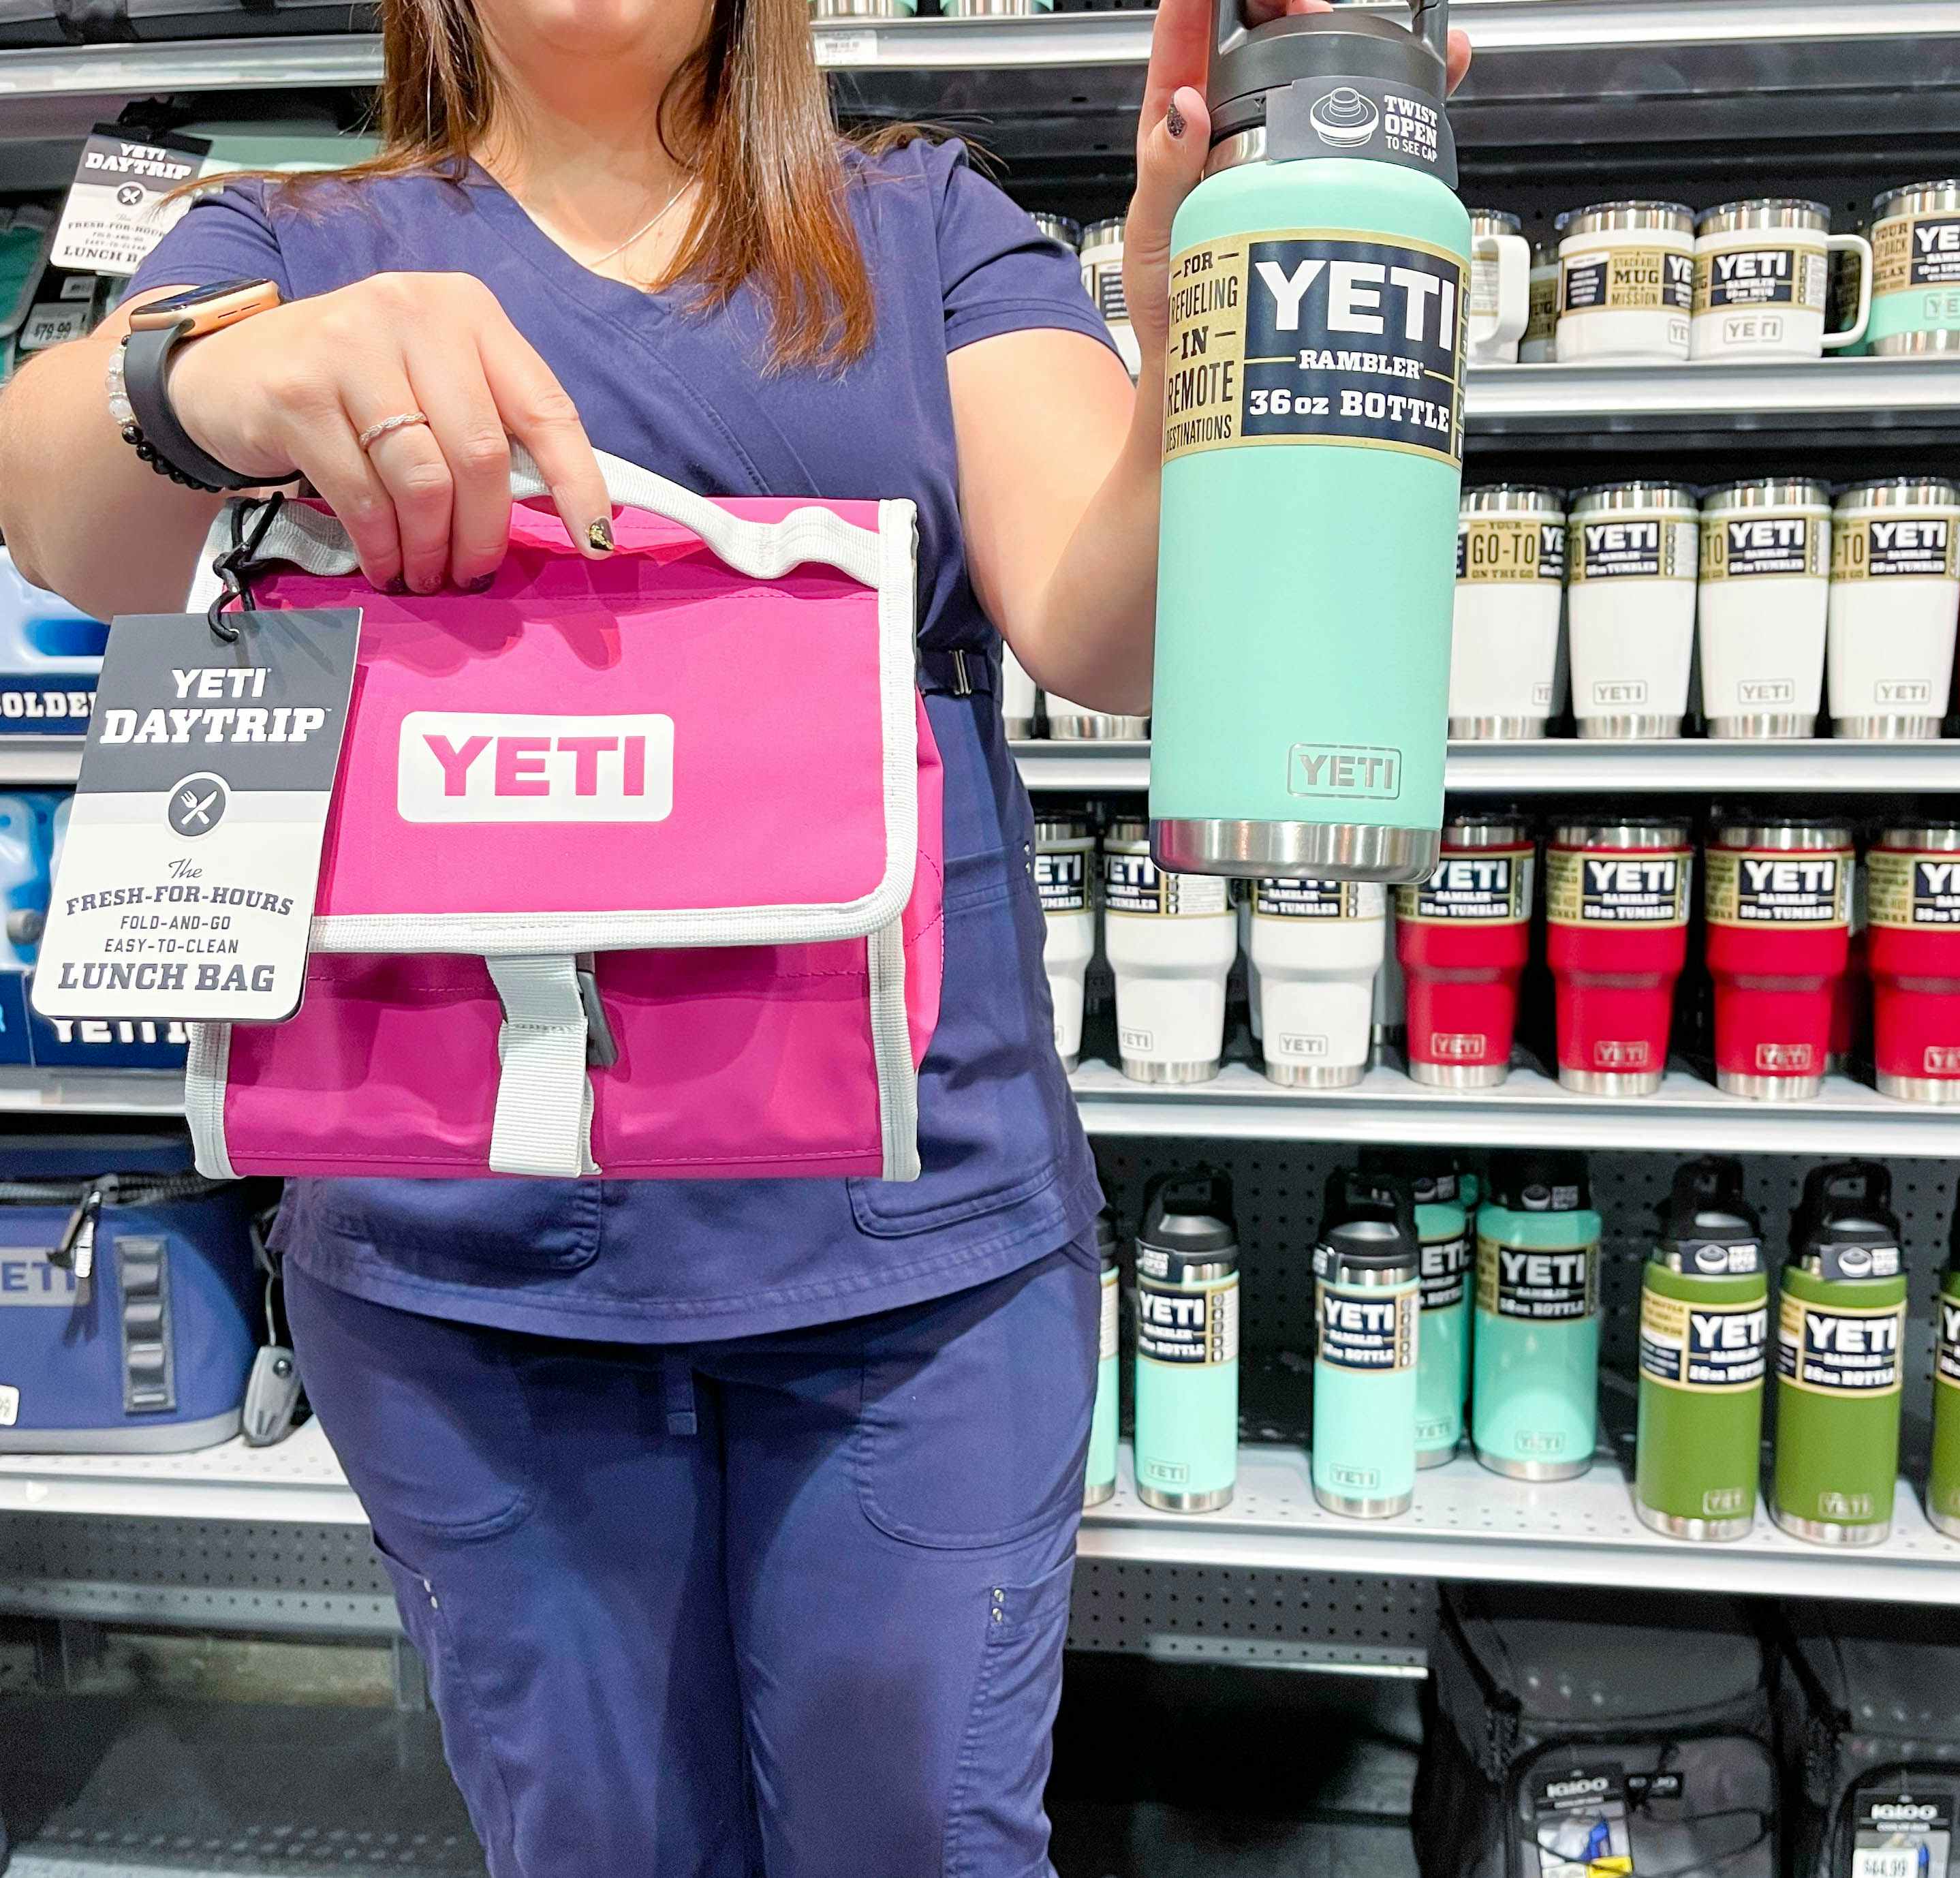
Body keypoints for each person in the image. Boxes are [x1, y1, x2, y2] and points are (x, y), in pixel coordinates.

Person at [0, 0, 1466, 1871]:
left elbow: (1099, 630)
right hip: (463, 1283)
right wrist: (205, 389)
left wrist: (1196, 328)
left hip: (910, 1270)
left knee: (915, 1841)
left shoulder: (922, 223)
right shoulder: (288, 236)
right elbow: (60, 508)